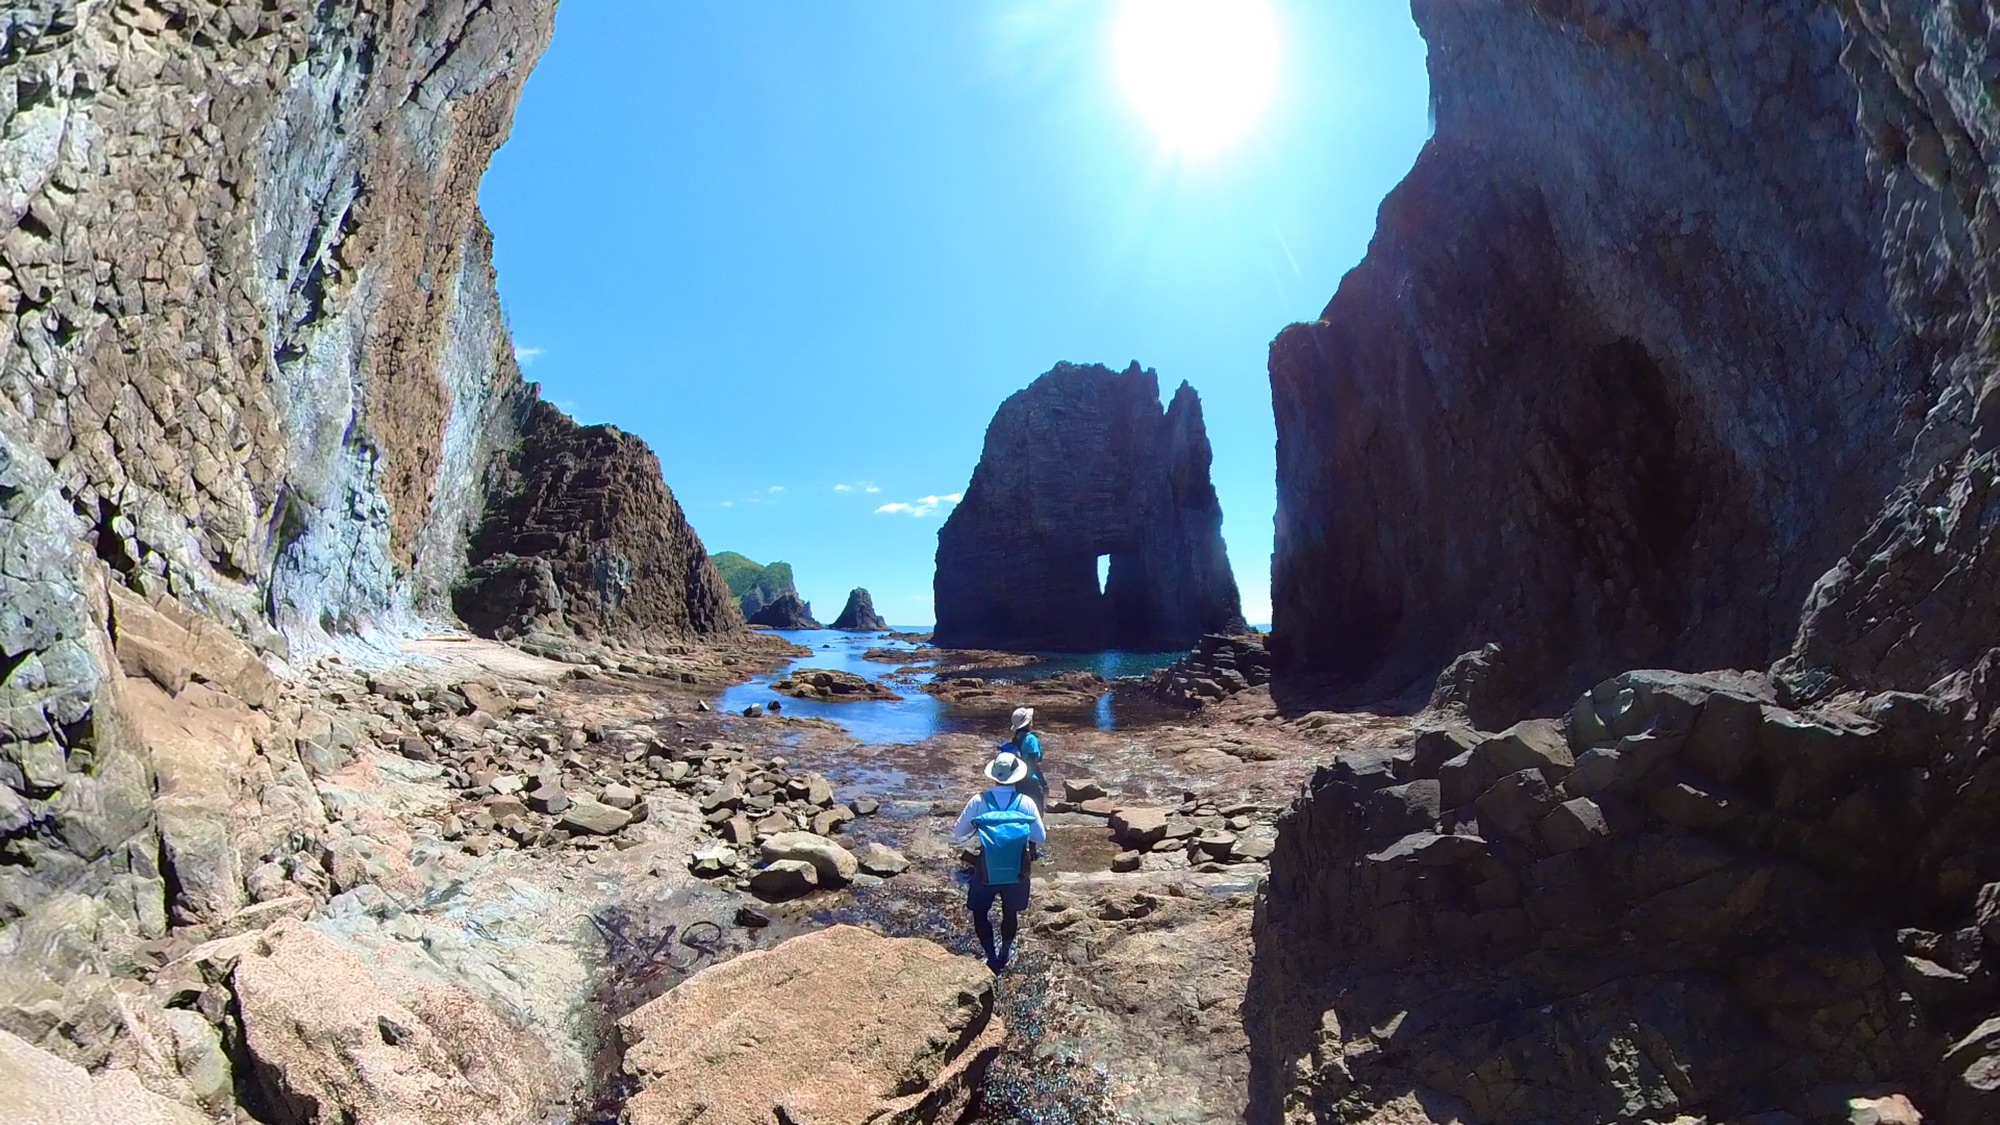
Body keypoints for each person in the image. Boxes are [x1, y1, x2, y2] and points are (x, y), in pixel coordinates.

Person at [951, 751, 1048, 971]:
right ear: (1017, 776)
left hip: (987, 866)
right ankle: (1005, 951)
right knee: (1010, 912)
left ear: (993, 775)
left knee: (980, 911)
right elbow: (1040, 838)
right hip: (1017, 868)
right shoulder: (1026, 802)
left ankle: (990, 956)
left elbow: (958, 834)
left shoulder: (979, 801)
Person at [1001, 706, 1047, 812]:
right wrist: (1043, 783)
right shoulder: (1031, 739)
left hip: (1017, 780)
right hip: (1031, 781)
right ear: (1028, 722)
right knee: (1037, 812)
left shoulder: (1016, 739)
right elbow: (1033, 764)